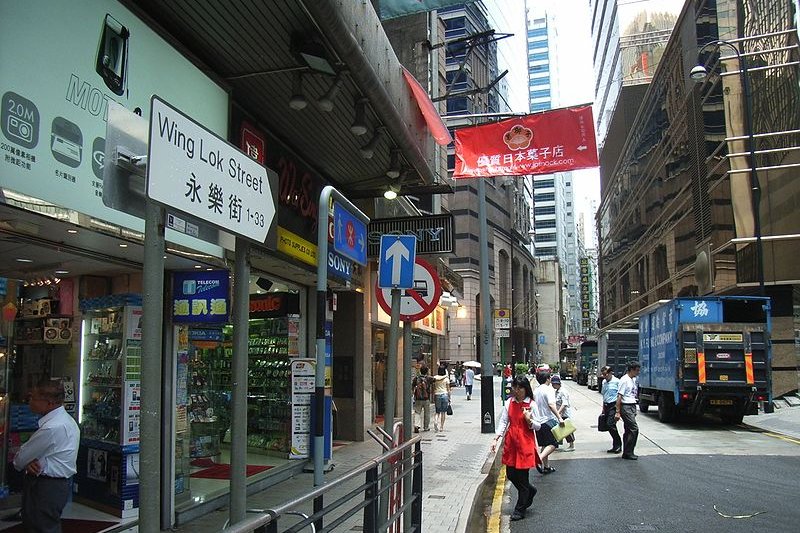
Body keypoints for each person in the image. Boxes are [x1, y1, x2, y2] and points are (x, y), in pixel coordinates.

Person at [13, 379, 80, 532]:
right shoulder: (67, 421)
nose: (29, 401)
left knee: (40, 526)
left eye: (33, 398)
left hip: (45, 487)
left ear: (49, 402)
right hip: (54, 485)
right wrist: (30, 461)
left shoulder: (51, 428)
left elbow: (19, 460)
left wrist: (27, 461)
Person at [491, 375, 541, 521]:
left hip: (525, 444)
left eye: (520, 388)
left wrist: (529, 420)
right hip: (511, 443)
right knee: (511, 474)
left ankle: (520, 509)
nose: (517, 390)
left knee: (523, 477)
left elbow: (539, 426)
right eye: (515, 387)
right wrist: (496, 438)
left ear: (526, 389)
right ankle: (530, 491)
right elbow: (503, 422)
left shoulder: (531, 404)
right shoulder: (509, 403)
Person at [532, 372, 564, 474]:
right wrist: (560, 418)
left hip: (538, 422)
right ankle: (539, 458)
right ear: (547, 379)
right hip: (548, 420)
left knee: (545, 445)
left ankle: (546, 467)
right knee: (553, 444)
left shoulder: (536, 391)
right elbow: (551, 404)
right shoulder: (549, 389)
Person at [615, 361, 641, 460]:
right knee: (634, 429)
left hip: (632, 405)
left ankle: (627, 452)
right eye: (637, 370)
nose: (638, 372)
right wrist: (618, 411)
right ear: (631, 370)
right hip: (626, 406)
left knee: (628, 430)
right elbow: (619, 396)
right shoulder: (624, 380)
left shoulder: (633, 379)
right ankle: (629, 451)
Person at [600, 365, 622, 453]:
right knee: (608, 425)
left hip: (614, 405)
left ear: (610, 373)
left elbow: (620, 396)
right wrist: (603, 408)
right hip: (606, 405)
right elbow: (604, 395)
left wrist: (618, 411)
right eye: (603, 374)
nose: (604, 376)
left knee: (610, 424)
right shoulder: (604, 382)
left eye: (605, 374)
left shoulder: (617, 382)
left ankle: (618, 445)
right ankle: (615, 445)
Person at [551, 375, 575, 451]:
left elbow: (564, 404)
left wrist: (558, 413)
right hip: (560, 414)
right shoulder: (557, 392)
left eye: (554, 384)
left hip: (564, 414)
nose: (553, 385)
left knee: (567, 430)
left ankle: (571, 445)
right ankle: (557, 444)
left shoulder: (563, 391)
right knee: (560, 429)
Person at [412, 366, 432, 432]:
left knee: (417, 412)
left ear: (420, 371)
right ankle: (426, 427)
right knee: (427, 413)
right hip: (426, 398)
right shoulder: (428, 378)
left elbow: (412, 386)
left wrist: (413, 394)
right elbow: (436, 379)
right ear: (427, 371)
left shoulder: (416, 378)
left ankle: (417, 425)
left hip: (418, 398)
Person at [432, 366, 451, 432]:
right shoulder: (446, 379)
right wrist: (449, 397)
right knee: (443, 412)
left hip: (437, 395)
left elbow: (434, 387)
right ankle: (441, 427)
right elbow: (448, 389)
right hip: (445, 395)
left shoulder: (435, 378)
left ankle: (435, 421)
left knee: (437, 411)